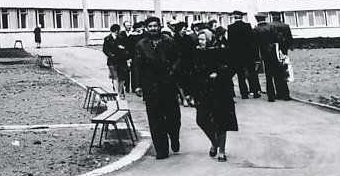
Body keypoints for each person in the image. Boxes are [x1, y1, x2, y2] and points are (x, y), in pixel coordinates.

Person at [130, 15, 182, 159]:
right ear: (146, 28)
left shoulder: (169, 42)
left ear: (160, 26)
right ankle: (161, 150)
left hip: (168, 85)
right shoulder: (141, 45)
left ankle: (174, 136)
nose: (153, 29)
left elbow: (178, 58)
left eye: (155, 26)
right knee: (155, 120)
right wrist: (137, 85)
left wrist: (172, 71)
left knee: (174, 118)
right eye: (150, 26)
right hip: (151, 86)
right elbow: (136, 66)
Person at [185, 26, 238, 160]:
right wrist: (190, 92)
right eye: (199, 40)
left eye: (203, 40)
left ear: (210, 40)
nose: (200, 42)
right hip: (202, 91)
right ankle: (214, 142)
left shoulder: (222, 51)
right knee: (201, 120)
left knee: (221, 121)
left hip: (220, 91)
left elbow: (233, 67)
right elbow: (191, 73)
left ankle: (222, 151)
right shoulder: (196, 54)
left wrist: (219, 74)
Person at [254, 13, 291, 101]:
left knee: (268, 76)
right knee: (279, 73)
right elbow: (279, 38)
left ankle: (271, 96)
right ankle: (284, 94)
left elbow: (255, 45)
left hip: (264, 54)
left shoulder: (255, 29)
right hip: (275, 52)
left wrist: (257, 57)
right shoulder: (271, 27)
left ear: (257, 20)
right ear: (265, 18)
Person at [227, 11, 261, 99]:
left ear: (234, 17)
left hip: (237, 55)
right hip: (248, 53)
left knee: (240, 74)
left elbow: (230, 43)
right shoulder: (247, 26)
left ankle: (244, 93)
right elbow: (252, 41)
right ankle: (255, 91)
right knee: (252, 72)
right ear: (242, 17)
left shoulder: (230, 28)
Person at [102, 23, 130, 97]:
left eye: (117, 31)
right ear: (112, 31)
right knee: (115, 77)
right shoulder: (107, 39)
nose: (117, 32)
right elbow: (105, 49)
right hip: (112, 61)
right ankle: (117, 94)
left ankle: (120, 93)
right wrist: (111, 55)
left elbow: (126, 48)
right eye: (115, 31)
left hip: (121, 60)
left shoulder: (122, 38)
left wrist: (123, 49)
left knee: (121, 78)